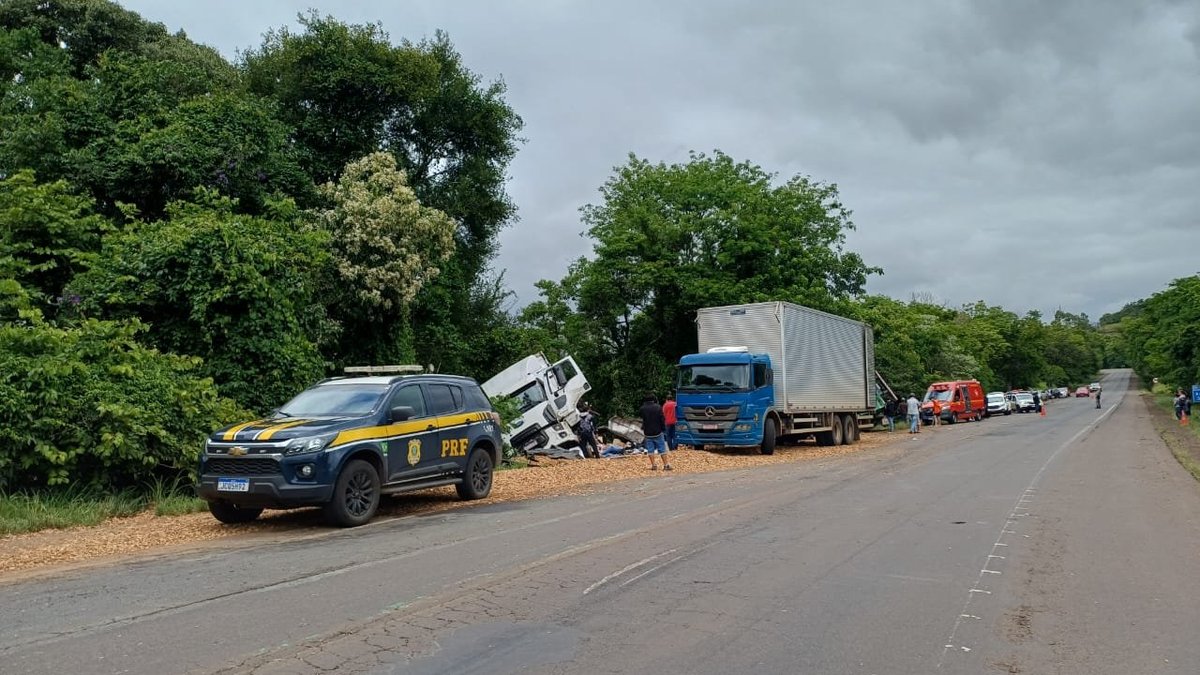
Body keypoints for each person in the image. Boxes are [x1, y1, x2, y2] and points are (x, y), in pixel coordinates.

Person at [640, 393, 671, 471]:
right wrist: (663, 428)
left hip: (648, 432)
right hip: (658, 431)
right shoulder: (658, 407)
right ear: (654, 399)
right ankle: (666, 465)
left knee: (650, 450)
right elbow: (662, 419)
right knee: (662, 449)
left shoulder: (642, 409)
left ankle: (654, 465)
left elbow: (644, 420)